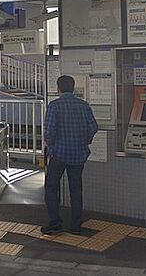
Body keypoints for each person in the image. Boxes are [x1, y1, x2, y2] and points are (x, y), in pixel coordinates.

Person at [42, 75, 98, 235]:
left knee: (51, 188)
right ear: (73, 88)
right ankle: (76, 225)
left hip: (58, 155)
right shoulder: (83, 105)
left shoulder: (54, 106)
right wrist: (84, 141)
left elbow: (49, 131)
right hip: (78, 155)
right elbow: (94, 127)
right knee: (76, 189)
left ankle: (55, 223)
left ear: (58, 88)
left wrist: (52, 145)